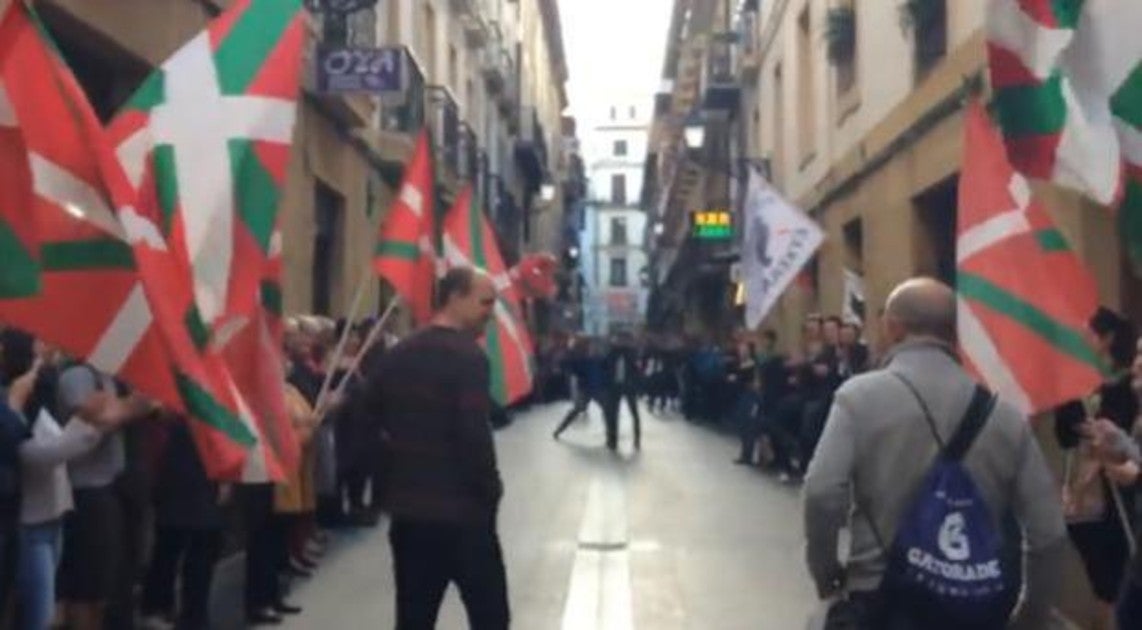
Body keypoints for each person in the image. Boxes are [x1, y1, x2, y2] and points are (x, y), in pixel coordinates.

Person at [803, 278, 1067, 629]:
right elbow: (1047, 531)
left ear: (893, 328)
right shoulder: (1005, 416)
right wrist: (1032, 612)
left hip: (881, 595)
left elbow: (822, 492)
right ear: (953, 333)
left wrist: (827, 573)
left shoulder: (858, 398)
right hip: (975, 605)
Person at [359, 267, 508, 630]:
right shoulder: (468, 358)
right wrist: (490, 489)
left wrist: (389, 483)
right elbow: (473, 435)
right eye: (485, 302)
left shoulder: (397, 356)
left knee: (414, 617)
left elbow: (365, 422)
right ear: (455, 297)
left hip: (410, 516)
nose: (491, 312)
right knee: (490, 617)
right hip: (463, 516)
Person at [1053, 307, 1137, 630]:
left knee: (1114, 581)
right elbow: (1064, 436)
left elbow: (1125, 441)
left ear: (1107, 339)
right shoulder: (1081, 383)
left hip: (1117, 495)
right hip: (1083, 501)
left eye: (1086, 333)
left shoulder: (1126, 386)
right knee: (1101, 581)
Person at [140, 416, 226, 630]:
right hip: (177, 471)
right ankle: (158, 607)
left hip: (204, 473)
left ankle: (193, 614)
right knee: (170, 545)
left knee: (201, 547)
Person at [603, 334, 642, 450]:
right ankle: (612, 440)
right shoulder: (612, 353)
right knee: (613, 414)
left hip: (629, 387)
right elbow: (605, 366)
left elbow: (637, 369)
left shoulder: (632, 353)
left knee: (634, 413)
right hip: (615, 387)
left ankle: (637, 439)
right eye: (620, 340)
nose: (621, 343)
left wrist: (637, 385)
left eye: (624, 340)